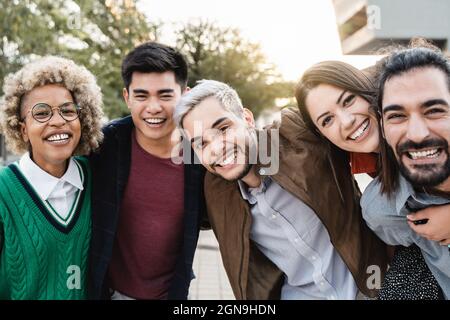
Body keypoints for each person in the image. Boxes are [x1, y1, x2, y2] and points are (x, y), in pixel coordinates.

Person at [174, 79, 388, 300]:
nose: (217, 148)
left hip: (372, 287)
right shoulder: (214, 191)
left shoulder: (295, 135)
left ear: (247, 119)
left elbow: (366, 83)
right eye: (202, 144)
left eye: (223, 129)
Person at [295, 58, 449, 299]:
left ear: (368, 91)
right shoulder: (376, 191)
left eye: (348, 100)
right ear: (322, 135)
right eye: (328, 120)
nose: (347, 122)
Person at [88, 42, 206, 300]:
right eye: (141, 96)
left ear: (185, 96)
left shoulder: (203, 154)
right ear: (127, 97)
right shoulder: (103, 146)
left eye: (165, 95)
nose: (153, 107)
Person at [0, 56, 104, 299]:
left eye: (68, 110)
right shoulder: (4, 191)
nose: (58, 121)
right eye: (42, 113)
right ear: (23, 129)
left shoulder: (98, 177)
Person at [361, 44, 450, 299]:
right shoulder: (382, 210)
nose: (417, 134)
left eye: (434, 111)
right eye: (397, 116)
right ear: (382, 125)